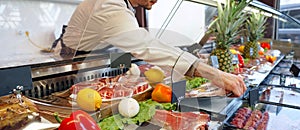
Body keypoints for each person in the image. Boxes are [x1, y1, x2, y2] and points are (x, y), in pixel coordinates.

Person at [54, 0, 247, 97]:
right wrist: (216, 75)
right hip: (73, 71)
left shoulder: (120, 5)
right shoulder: (109, 6)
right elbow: (147, 46)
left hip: (98, 68)